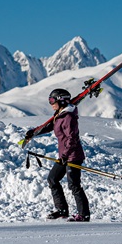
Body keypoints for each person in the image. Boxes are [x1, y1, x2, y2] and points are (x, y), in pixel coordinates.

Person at [23, 88, 91, 222]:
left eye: (52, 100)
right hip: (64, 155)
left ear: (61, 100)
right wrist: (34, 132)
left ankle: (84, 215)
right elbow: (50, 126)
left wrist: (65, 155)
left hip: (73, 156)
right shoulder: (60, 115)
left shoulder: (68, 117)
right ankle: (62, 210)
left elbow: (72, 138)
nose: (51, 103)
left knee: (74, 185)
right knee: (52, 179)